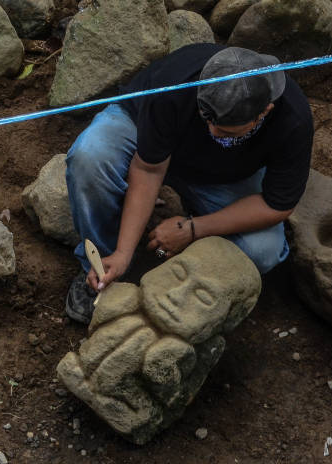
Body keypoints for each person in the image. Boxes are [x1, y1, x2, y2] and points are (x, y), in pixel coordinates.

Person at [64, 44, 314, 324]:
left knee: (263, 251)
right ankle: (102, 266)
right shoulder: (176, 82)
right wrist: (123, 252)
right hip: (143, 137)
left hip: (224, 175)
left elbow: (277, 204)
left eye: (225, 131)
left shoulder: (292, 119)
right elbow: (148, 168)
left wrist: (193, 230)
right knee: (90, 156)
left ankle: (178, 269)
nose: (211, 131)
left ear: (263, 112)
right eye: (206, 119)